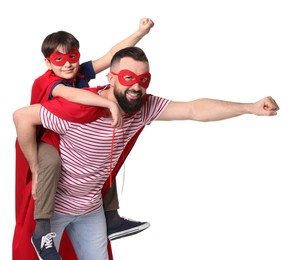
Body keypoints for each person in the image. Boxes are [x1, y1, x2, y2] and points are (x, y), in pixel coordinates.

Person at [13, 46, 279, 260]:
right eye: (129, 78)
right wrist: (35, 166)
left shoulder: (143, 107)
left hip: (91, 211)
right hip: (56, 209)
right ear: (111, 78)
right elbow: (23, 117)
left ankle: (113, 218)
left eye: (143, 80)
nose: (137, 87)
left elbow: (194, 109)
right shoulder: (77, 110)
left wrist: (250, 107)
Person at [13, 20, 154, 260]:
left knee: (104, 157)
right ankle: (43, 229)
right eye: (59, 59)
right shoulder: (46, 81)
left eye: (72, 57)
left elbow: (111, 55)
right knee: (51, 164)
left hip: (70, 137)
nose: (68, 64)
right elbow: (68, 94)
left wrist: (140, 32)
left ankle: (111, 217)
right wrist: (108, 102)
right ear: (48, 62)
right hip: (46, 139)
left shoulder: (79, 72)